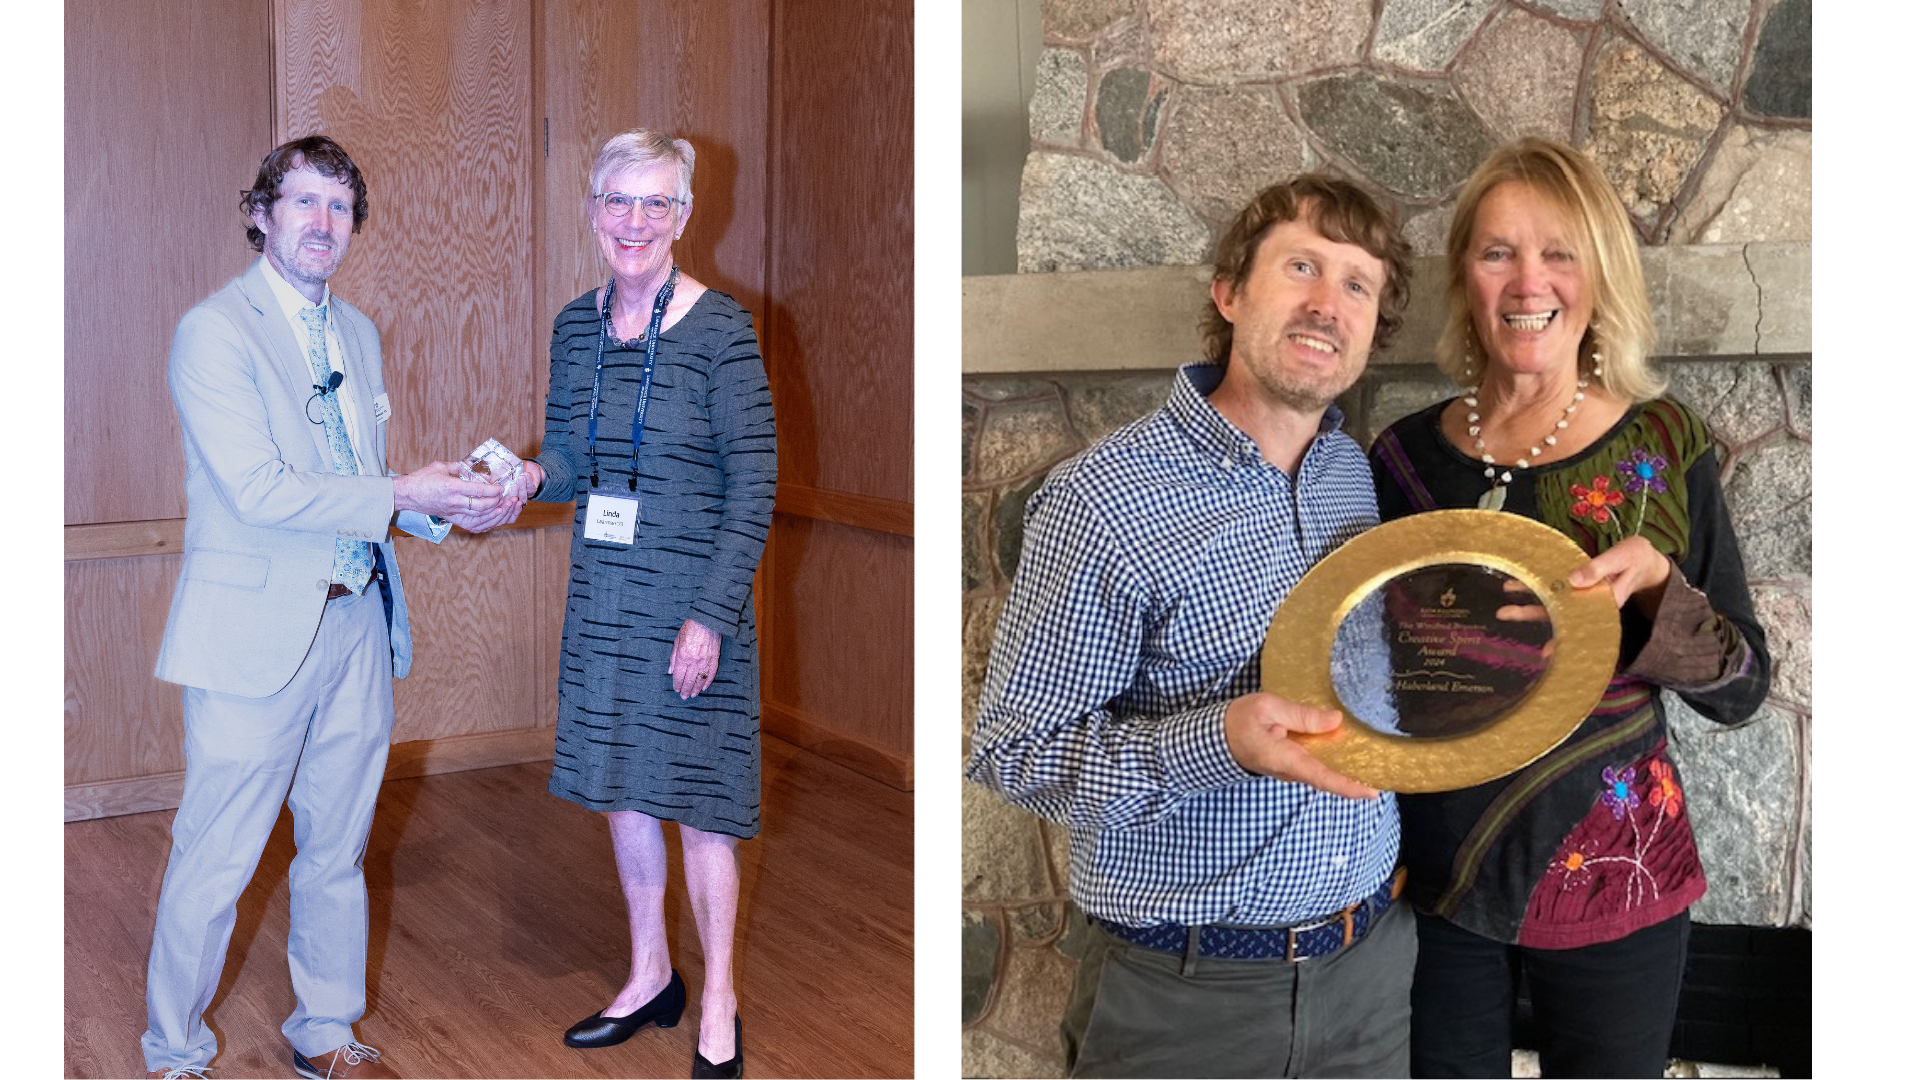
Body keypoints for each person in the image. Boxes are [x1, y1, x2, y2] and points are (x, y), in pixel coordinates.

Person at [967, 175, 1417, 1078]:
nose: (1329, 304)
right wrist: (1218, 740)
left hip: (1368, 978)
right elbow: (1009, 755)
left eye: (1357, 285)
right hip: (1182, 999)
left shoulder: (1352, 478)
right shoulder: (1103, 500)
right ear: (1229, 293)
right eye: (1302, 267)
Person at [1367, 137, 1772, 1077]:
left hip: (1618, 870)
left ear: (1599, 274)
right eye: (1497, 251)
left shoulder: (1663, 444)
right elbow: (1366, 671)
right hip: (1438, 877)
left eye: (1559, 251)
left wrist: (1667, 598)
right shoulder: (1399, 457)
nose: (1527, 281)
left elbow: (1743, 686)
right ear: (1464, 274)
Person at [143, 135, 515, 1080]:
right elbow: (261, 491)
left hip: (357, 622)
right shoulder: (213, 331)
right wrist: (403, 494)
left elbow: (357, 479)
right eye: (304, 203)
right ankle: (174, 1051)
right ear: (261, 214)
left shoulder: (356, 331)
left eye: (341, 208)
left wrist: (447, 508)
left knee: (337, 852)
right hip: (252, 638)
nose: (323, 224)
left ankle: (325, 1031)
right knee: (216, 861)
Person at [514, 130, 774, 1080]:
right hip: (605, 595)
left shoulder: (722, 330)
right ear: (592, 211)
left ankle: (717, 1000)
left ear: (684, 215)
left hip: (691, 601)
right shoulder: (574, 326)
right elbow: (573, 462)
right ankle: (650, 974)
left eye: (656, 203)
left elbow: (755, 484)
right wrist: (528, 476)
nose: (635, 222)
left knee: (700, 808)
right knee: (623, 793)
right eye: (618, 201)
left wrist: (711, 615)